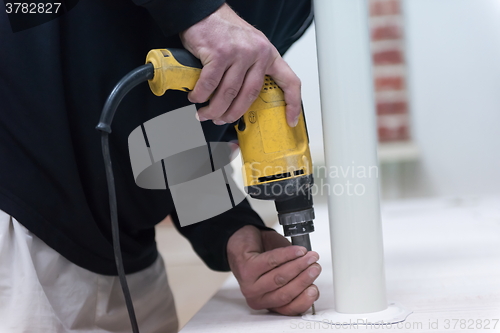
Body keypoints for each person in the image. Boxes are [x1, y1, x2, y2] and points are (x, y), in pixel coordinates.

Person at [0, 0, 321, 332]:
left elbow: (174, 130)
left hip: (130, 261)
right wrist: (203, 13)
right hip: (18, 234)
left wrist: (232, 233)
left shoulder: (294, 8)